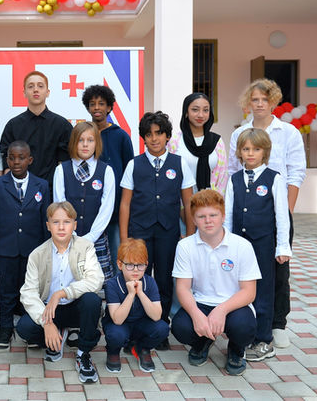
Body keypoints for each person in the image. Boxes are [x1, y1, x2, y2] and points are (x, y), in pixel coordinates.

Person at [228, 78, 306, 348]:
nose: (260, 104)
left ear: (273, 101)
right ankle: (244, 320)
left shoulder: (288, 132)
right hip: (247, 213)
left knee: (277, 271)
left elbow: (296, 173)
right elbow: (233, 172)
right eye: (255, 99)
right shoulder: (240, 133)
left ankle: (277, 323)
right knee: (242, 268)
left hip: (277, 211)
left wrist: (285, 212)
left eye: (265, 99)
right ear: (248, 102)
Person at [119, 111, 195, 349]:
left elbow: (188, 203)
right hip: (139, 233)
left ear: (167, 136)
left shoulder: (179, 163)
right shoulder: (134, 164)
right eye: (149, 134)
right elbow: (125, 204)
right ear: (143, 138)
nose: (154, 138)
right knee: (136, 279)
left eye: (159, 133)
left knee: (163, 280)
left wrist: (190, 235)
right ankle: (134, 329)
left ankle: (160, 328)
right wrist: (124, 239)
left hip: (168, 232)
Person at [171, 189, 261, 376]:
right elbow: (183, 288)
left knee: (244, 328)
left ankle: (236, 349)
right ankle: (203, 341)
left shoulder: (242, 246)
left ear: (223, 216)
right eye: (201, 216)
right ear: (193, 219)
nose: (208, 221)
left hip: (234, 304)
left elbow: (249, 292)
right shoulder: (185, 246)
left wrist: (221, 310)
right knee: (181, 327)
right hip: (202, 302)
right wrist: (196, 314)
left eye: (213, 215)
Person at [17, 202, 104, 384]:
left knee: (92, 300)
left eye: (67, 222)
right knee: (24, 327)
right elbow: (28, 293)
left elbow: (96, 280)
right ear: (48, 226)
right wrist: (47, 323)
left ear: (74, 225)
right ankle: (55, 336)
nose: (62, 227)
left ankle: (83, 353)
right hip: (50, 311)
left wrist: (62, 293)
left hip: (75, 307)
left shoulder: (86, 247)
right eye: (56, 222)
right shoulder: (37, 254)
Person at [224, 128, 290, 361]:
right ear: (239, 152)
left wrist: (283, 247)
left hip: (263, 245)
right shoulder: (234, 180)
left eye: (256, 149)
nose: (250, 153)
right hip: (239, 245)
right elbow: (228, 214)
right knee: (238, 288)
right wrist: (226, 240)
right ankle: (242, 335)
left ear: (265, 152)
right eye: (246, 149)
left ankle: (264, 339)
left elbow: (282, 216)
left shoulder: (274, 179)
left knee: (263, 290)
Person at [0, 141, 49, 349]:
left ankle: (29, 328)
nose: (16, 162)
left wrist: (45, 251)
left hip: (33, 250)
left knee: (30, 290)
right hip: (6, 250)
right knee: (6, 291)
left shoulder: (42, 185)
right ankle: (5, 327)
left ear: (30, 160)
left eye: (21, 158)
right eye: (12, 158)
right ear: (6, 160)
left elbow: (45, 221)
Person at [53, 121, 116, 279]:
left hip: (97, 239)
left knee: (99, 285)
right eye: (80, 140)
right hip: (68, 240)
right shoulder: (61, 170)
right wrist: (72, 235)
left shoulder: (106, 171)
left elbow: (107, 208)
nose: (85, 144)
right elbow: (60, 205)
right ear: (73, 142)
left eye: (90, 140)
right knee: (68, 284)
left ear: (97, 143)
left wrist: (90, 238)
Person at [81, 84, 135, 265]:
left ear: (110, 107)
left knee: (115, 255)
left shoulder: (120, 136)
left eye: (101, 103)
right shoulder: (83, 135)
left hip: (115, 209)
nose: (96, 108)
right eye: (92, 104)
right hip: (88, 209)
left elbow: (129, 172)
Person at [0, 71, 73, 193]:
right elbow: (6, 159)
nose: (35, 90)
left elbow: (66, 163)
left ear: (47, 92)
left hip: (52, 191)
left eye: (40, 86)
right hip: (20, 191)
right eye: (30, 86)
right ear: (24, 93)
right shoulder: (13, 125)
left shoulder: (62, 125)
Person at [102, 238, 168, 373]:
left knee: (162, 328)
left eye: (140, 265)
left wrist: (141, 293)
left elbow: (156, 316)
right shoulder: (113, 284)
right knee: (115, 335)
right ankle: (113, 351)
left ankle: (142, 348)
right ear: (120, 264)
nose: (136, 270)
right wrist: (131, 294)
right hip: (120, 325)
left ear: (146, 265)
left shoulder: (149, 282)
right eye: (130, 265)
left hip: (141, 324)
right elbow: (117, 319)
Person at [168, 92, 228, 195]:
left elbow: (223, 176)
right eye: (195, 110)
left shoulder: (216, 141)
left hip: (210, 200)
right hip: (181, 201)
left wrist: (215, 201)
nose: (201, 115)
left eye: (205, 110)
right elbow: (169, 173)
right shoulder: (175, 141)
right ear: (186, 112)